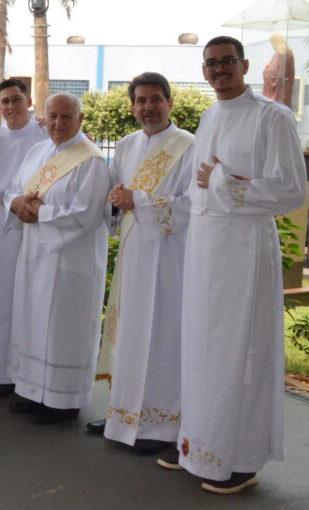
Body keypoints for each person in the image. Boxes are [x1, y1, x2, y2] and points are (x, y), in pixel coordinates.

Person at [159, 36, 305, 494]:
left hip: (243, 249)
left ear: (243, 65)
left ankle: (239, 458)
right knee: (200, 347)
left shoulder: (272, 117)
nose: (219, 70)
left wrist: (225, 183)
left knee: (239, 351)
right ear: (203, 71)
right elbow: (196, 187)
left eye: (227, 62)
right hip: (205, 248)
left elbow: (291, 191)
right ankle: (197, 443)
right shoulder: (208, 115)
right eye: (211, 64)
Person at [86, 73, 193, 455]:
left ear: (169, 103)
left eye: (155, 100)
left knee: (160, 336)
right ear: (132, 107)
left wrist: (140, 201)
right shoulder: (128, 145)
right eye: (141, 101)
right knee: (129, 335)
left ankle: (159, 427)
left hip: (167, 259)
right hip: (133, 257)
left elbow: (192, 205)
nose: (148, 107)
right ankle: (123, 416)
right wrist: (117, 201)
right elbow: (116, 196)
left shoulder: (188, 147)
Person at [5, 92, 109, 425]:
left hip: (69, 261)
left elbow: (87, 214)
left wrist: (41, 213)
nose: (58, 123)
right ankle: (34, 391)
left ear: (80, 120)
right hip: (35, 255)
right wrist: (16, 204)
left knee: (63, 329)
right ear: (44, 118)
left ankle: (64, 402)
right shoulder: (38, 152)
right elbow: (13, 189)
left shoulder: (90, 160)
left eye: (66, 117)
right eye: (52, 116)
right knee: (33, 321)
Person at [0, 78, 48, 397]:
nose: (10, 107)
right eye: (4, 101)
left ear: (29, 100)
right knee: (3, 297)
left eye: (16, 100)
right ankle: (3, 373)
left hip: (40, 220)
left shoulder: (46, 132)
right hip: (6, 222)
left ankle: (31, 374)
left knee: (34, 295)